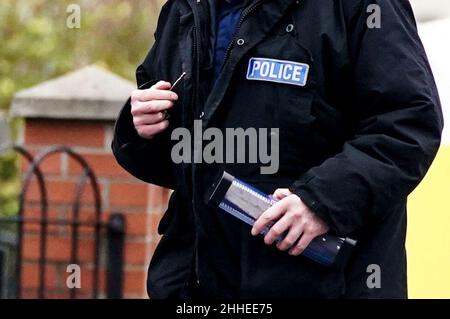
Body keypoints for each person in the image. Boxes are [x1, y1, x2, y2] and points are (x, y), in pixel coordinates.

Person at [112, 0, 443, 298]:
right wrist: (141, 126)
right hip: (195, 286)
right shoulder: (185, 9)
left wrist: (322, 202)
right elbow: (182, 163)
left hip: (326, 284)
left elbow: (409, 124)